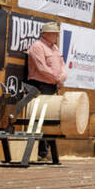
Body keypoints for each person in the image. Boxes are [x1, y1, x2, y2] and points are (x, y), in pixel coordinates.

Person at [26, 20, 68, 160]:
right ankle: (38, 152)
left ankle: (45, 152)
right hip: (40, 86)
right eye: (54, 33)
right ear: (46, 34)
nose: (57, 36)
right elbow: (41, 68)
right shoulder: (37, 47)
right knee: (41, 118)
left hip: (52, 86)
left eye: (57, 33)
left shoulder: (55, 48)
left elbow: (63, 66)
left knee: (51, 117)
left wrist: (62, 77)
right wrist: (57, 78)